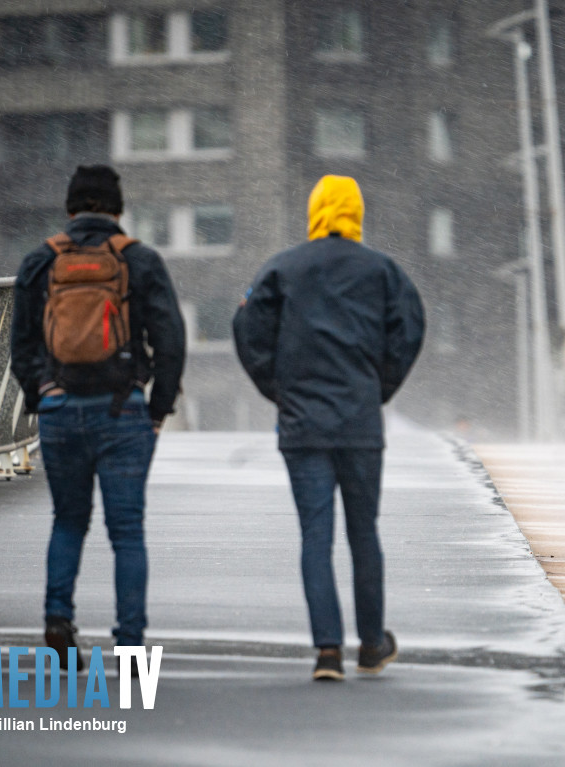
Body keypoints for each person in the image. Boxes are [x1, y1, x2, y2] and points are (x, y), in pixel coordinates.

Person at [233, 175, 425, 682]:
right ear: (356, 213)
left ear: (315, 211)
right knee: (364, 532)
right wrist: (377, 388)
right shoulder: (382, 270)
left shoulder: (283, 267)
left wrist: (279, 389)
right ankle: (371, 643)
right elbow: (410, 328)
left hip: (303, 425)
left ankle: (326, 651)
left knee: (314, 535)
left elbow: (247, 328)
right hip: (360, 422)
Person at [11, 165, 186, 671]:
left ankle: (57, 618)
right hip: (121, 410)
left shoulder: (41, 261)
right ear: (117, 209)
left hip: (60, 410)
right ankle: (130, 644)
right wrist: (157, 408)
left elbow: (21, 344)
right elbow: (171, 340)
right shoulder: (139, 260)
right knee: (126, 530)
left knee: (67, 520)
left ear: (70, 209)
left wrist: (40, 393)